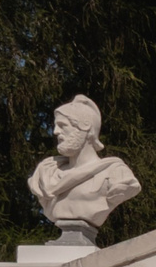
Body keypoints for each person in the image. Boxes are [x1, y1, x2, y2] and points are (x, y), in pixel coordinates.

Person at [26, 96, 141, 246]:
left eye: (62, 125)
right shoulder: (47, 173)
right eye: (55, 126)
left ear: (85, 127)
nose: (55, 132)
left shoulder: (115, 173)